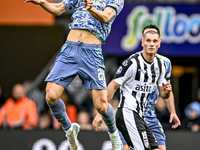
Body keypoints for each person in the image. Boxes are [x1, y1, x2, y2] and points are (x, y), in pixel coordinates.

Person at [24, 0, 124, 149]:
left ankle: (113, 132)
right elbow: (58, 9)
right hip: (70, 49)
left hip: (92, 52)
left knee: (101, 106)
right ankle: (69, 129)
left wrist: (91, 9)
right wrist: (42, 3)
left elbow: (106, 17)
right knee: (51, 96)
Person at [93, 24, 173, 150]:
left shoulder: (161, 65)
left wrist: (167, 92)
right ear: (142, 42)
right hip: (127, 113)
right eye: (148, 41)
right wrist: (100, 112)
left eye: (154, 41)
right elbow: (112, 86)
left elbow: (163, 94)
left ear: (159, 43)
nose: (151, 44)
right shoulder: (132, 63)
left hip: (141, 116)